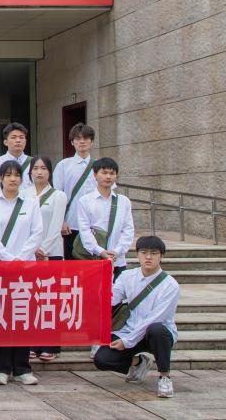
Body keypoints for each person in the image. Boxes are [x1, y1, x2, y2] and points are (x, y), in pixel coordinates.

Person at [0, 160, 43, 386]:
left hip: (25, 267)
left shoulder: (31, 202)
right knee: (1, 315)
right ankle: (1, 368)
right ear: (0, 178)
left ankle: (22, 368)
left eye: (16, 175)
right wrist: (8, 258)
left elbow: (37, 232)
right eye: (8, 175)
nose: (12, 179)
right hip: (0, 266)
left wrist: (21, 258)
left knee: (22, 315)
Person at [94, 235, 179, 399]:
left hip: (155, 335)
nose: (148, 257)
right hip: (129, 330)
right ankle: (139, 363)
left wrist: (127, 341)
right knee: (102, 359)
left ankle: (164, 377)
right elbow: (110, 300)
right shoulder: (127, 276)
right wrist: (108, 275)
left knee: (157, 329)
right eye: (144, 252)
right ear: (137, 255)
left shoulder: (170, 285)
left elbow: (155, 318)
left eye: (154, 253)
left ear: (161, 256)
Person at [73, 157, 135, 280]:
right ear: (95, 174)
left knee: (117, 291)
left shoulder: (124, 201)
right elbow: (84, 231)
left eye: (112, 173)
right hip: (93, 259)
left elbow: (128, 230)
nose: (108, 177)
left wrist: (117, 251)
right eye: (104, 172)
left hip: (117, 260)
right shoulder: (85, 201)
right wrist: (100, 251)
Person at [30, 155, 66, 361]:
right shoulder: (24, 194)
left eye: (43, 168)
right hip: (29, 254)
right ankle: (31, 343)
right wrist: (32, 249)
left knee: (50, 300)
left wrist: (43, 249)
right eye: (36, 168)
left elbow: (55, 226)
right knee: (31, 299)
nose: (39, 172)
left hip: (51, 253)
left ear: (50, 172)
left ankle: (50, 345)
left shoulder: (58, 196)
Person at [55, 122, 97, 259]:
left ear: (92, 142)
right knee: (71, 264)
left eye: (86, 138)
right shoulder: (63, 165)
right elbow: (57, 196)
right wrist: (61, 221)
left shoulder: (99, 166)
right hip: (70, 224)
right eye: (78, 138)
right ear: (72, 142)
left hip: (94, 225)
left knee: (93, 264)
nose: (82, 141)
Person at [0, 123, 34, 187]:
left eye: (21, 137)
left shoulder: (33, 162)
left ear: (25, 141)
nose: (18, 140)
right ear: (5, 142)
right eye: (13, 137)